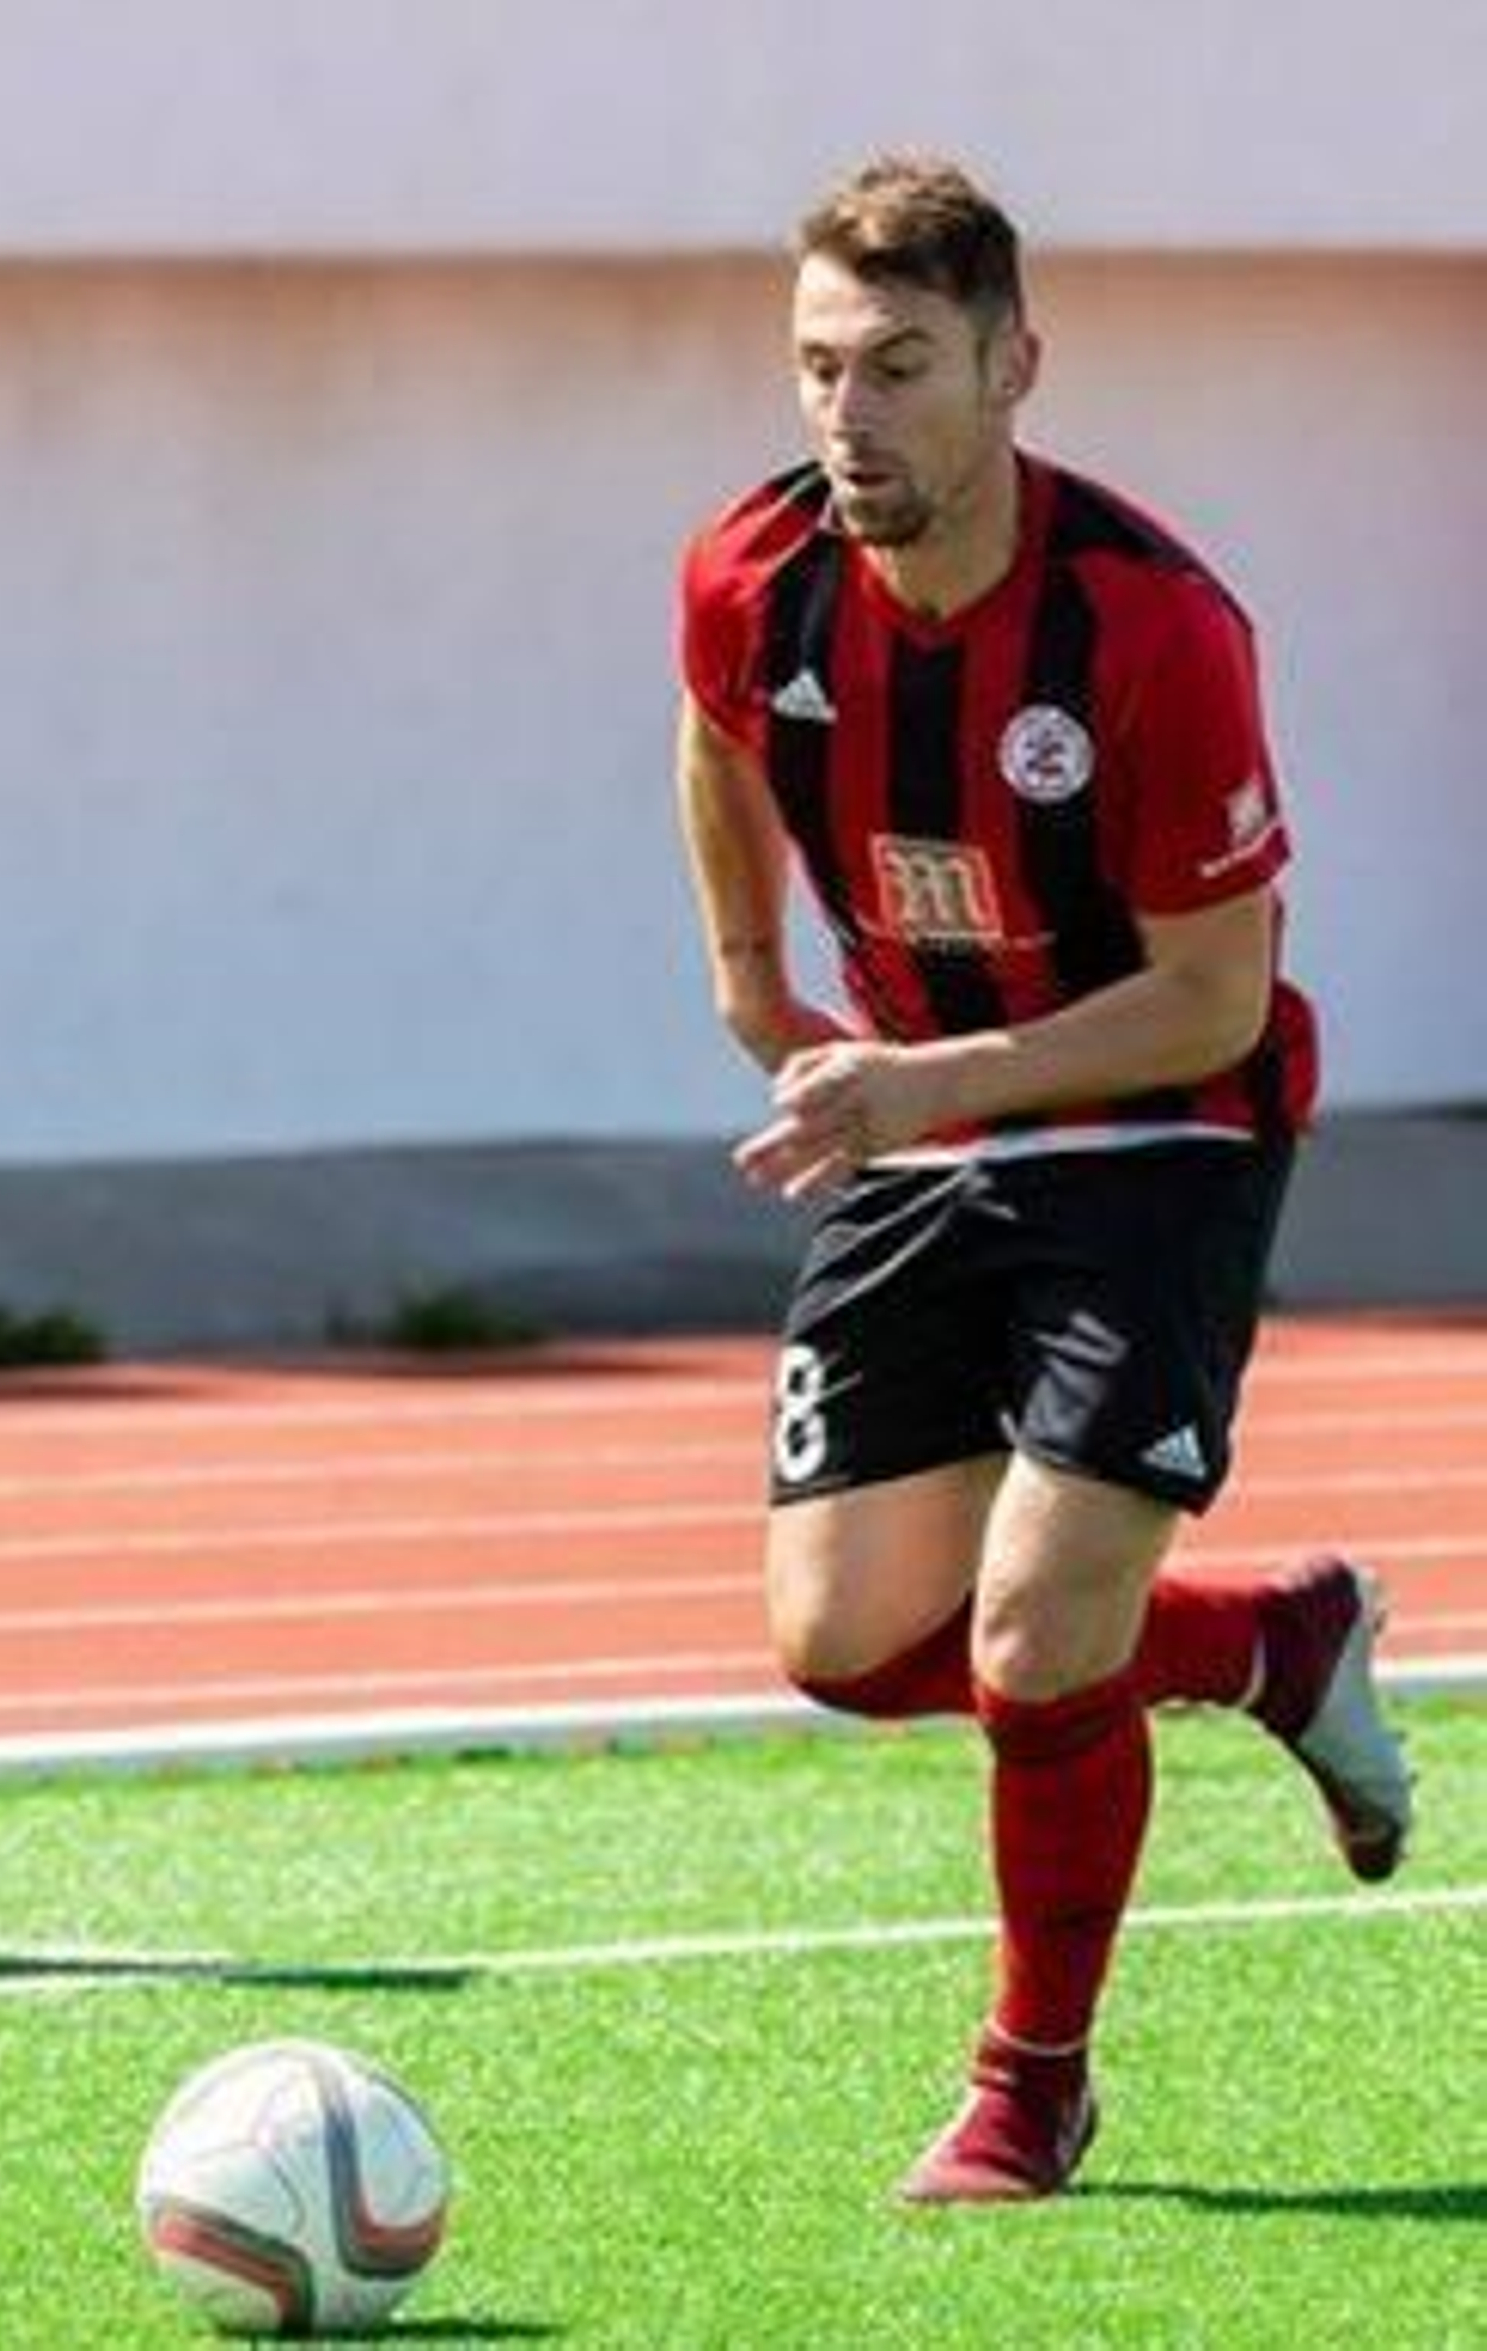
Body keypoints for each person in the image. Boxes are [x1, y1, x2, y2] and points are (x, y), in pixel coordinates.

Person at [673, 151, 1413, 2204]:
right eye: (821, 364)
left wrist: (931, 1080)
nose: (849, 411)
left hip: (1158, 1127)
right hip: (919, 1110)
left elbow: (1206, 999)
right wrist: (754, 989)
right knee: (837, 1645)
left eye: (899, 365)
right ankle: (1265, 1639)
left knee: (1027, 1635)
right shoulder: (752, 574)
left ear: (1011, 366)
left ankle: (1030, 2083)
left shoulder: (1151, 631)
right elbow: (712, 730)